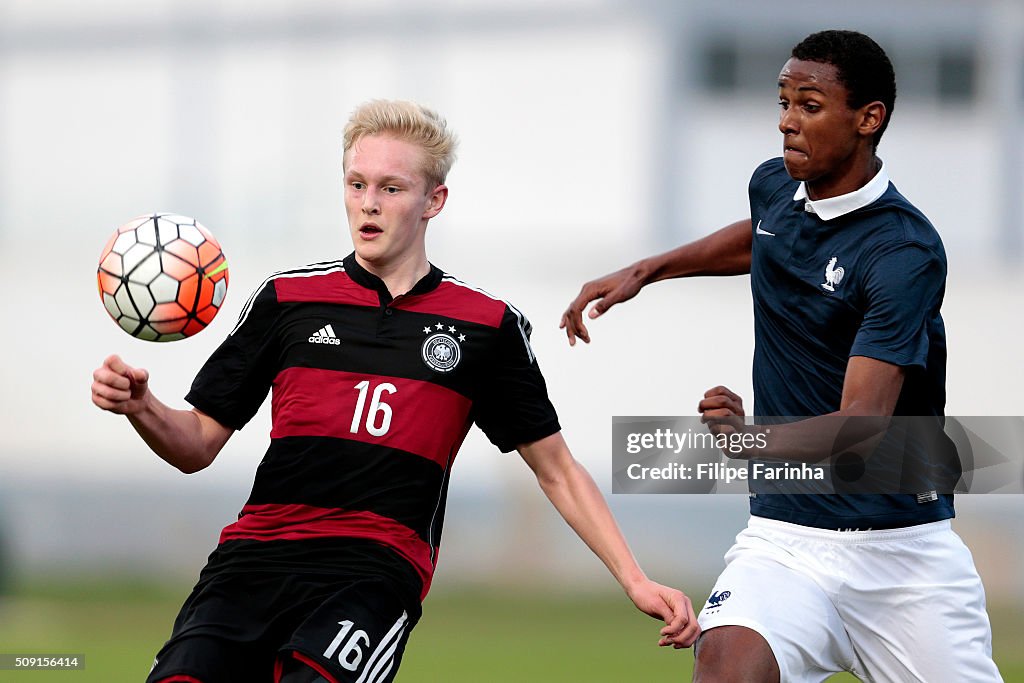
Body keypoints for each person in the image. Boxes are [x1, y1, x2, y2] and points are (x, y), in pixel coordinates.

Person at [92, 99, 699, 683]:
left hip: (374, 571)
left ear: (434, 200)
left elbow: (558, 470)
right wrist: (142, 407)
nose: (368, 205)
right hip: (253, 557)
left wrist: (635, 579)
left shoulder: (484, 327)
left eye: (390, 188)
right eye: (356, 185)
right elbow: (196, 443)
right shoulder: (286, 302)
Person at [561, 30, 1002, 683]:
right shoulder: (775, 187)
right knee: (727, 665)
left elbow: (862, 428)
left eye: (810, 105)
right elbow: (764, 240)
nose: (786, 121)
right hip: (784, 540)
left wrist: (747, 441)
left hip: (901, 552)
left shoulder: (902, 252)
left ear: (868, 118)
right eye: (783, 100)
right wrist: (648, 269)